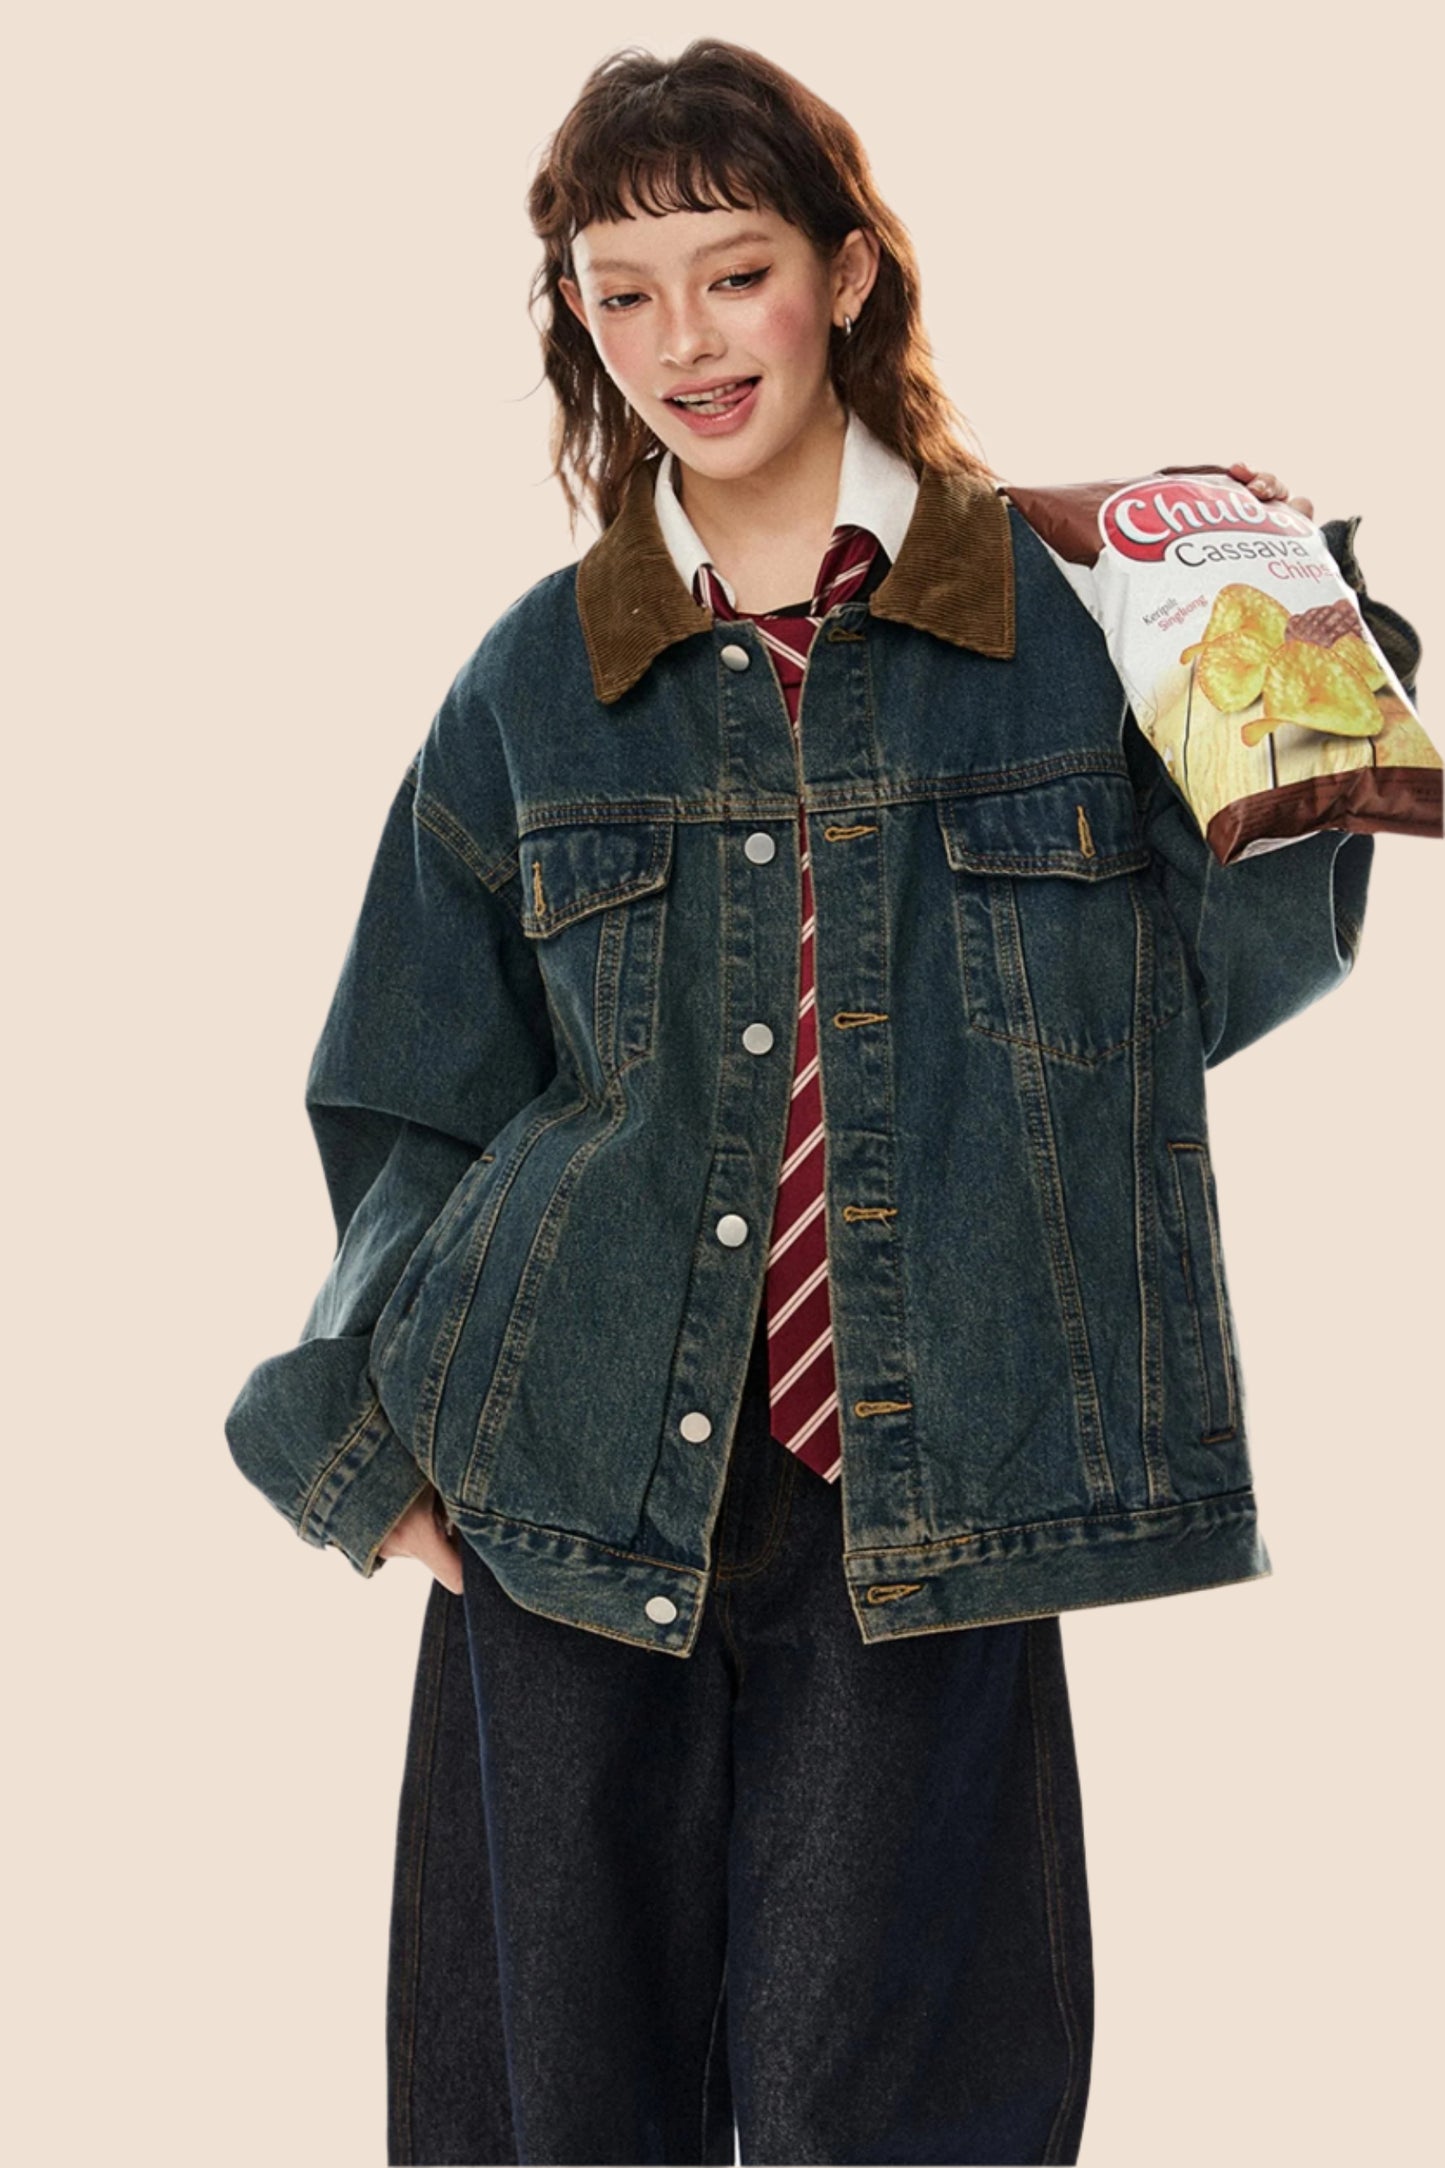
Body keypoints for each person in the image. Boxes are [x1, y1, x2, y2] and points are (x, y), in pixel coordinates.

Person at [224, 38, 1423, 2168]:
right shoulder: (537, 679)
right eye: (623, 292)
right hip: (560, 1477)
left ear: (846, 275)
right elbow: (409, 1092)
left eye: (734, 272)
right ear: (578, 318)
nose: (682, 340)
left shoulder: (1068, 629)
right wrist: (359, 1433)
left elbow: (1213, 987)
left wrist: (1277, 618)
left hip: (932, 1478)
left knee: (906, 2114)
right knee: (548, 2118)